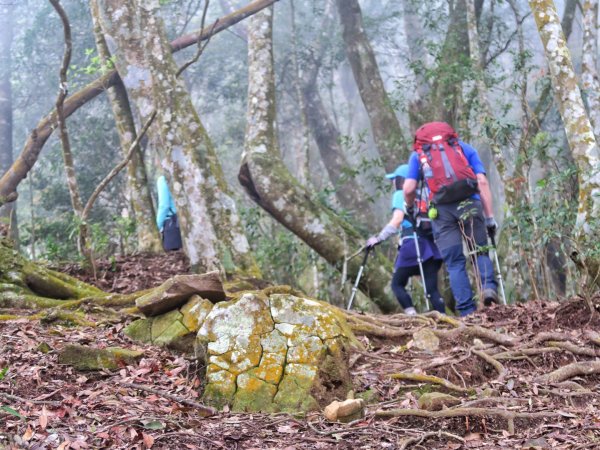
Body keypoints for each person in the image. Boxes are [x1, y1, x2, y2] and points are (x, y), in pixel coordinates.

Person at [403, 122, 498, 317]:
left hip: (442, 212)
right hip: (470, 204)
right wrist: (490, 217)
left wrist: (410, 208)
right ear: (450, 136)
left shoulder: (418, 156)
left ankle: (467, 312)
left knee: (455, 262)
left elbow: (409, 188)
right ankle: (488, 290)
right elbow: (481, 181)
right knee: (480, 251)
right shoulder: (463, 148)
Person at [365, 164, 446, 315]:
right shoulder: (426, 194)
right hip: (431, 247)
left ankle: (412, 316)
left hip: (412, 245)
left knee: (397, 284)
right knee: (431, 290)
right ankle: (445, 320)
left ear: (401, 180)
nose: (392, 182)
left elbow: (397, 220)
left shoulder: (400, 194)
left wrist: (379, 238)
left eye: (394, 179)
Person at [156, 175, 182, 251]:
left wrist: (158, 224)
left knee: (175, 255)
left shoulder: (163, 179)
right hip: (185, 218)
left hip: (172, 222)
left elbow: (164, 205)